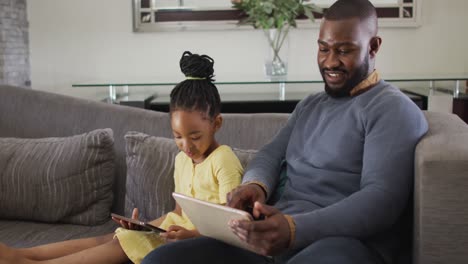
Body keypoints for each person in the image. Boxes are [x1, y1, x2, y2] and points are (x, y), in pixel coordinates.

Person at [141, 1, 429, 264]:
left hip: (346, 243)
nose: (330, 62)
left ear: (374, 46)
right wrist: (255, 187)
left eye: (344, 50)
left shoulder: (392, 109)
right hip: (276, 236)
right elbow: (270, 153)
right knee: (162, 260)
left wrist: (294, 228)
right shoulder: (310, 106)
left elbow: (380, 201)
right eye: (323, 48)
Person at [0, 51, 244, 264]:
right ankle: (21, 255)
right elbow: (178, 213)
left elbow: (231, 226)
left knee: (119, 244)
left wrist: (191, 236)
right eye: (178, 136)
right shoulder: (181, 160)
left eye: (195, 136)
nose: (186, 146)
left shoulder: (223, 160)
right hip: (172, 233)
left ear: (217, 124)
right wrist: (146, 227)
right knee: (114, 236)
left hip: (203, 244)